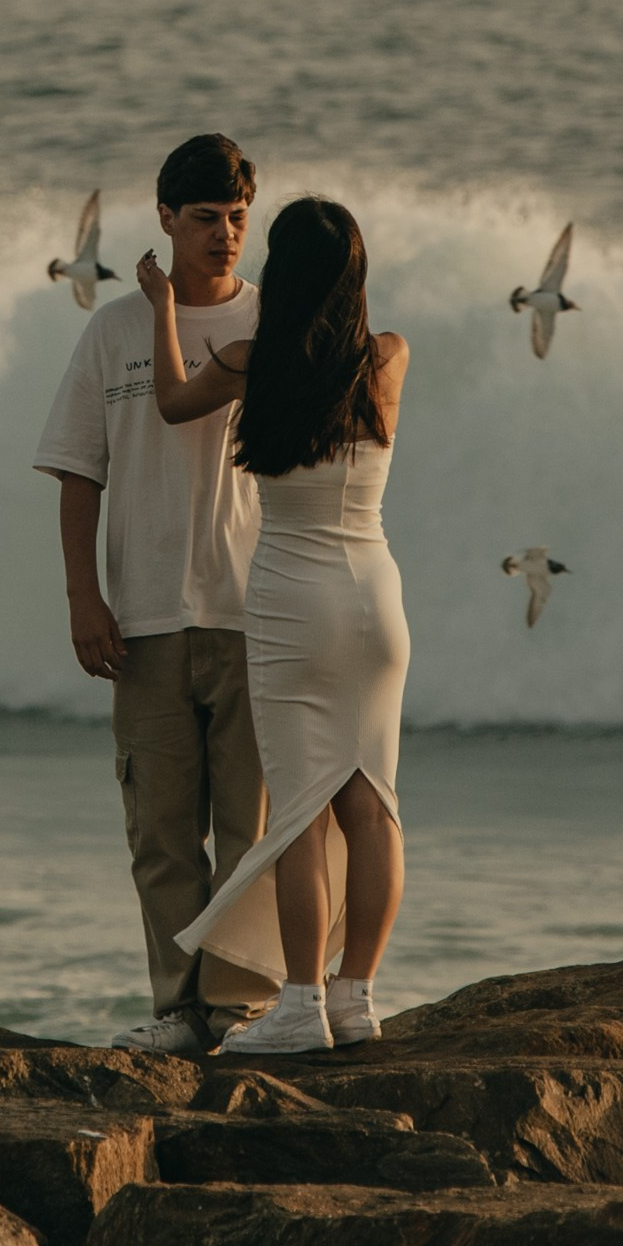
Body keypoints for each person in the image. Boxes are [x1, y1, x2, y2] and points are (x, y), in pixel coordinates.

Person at [139, 196, 410, 1053]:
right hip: (376, 596)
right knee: (372, 803)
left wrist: (161, 311)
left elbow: (174, 403)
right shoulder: (389, 359)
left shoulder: (253, 361)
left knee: (300, 811)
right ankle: (354, 999)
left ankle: (297, 1004)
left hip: (294, 602)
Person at [33, 135, 280, 1054]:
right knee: (161, 829)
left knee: (250, 824)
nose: (224, 234)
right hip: (141, 614)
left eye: (237, 218)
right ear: (166, 219)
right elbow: (75, 472)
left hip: (253, 612)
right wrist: (81, 598)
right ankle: (177, 1010)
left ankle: (239, 1006)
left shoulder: (273, 323)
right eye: (206, 217)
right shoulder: (114, 330)